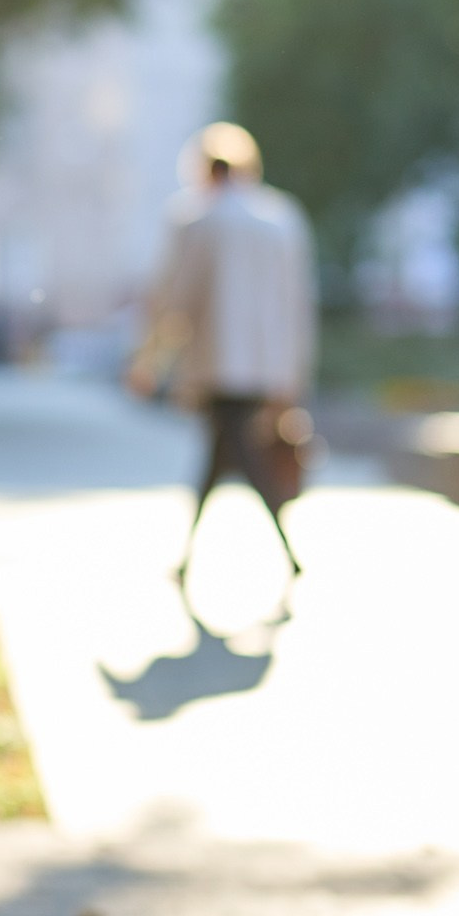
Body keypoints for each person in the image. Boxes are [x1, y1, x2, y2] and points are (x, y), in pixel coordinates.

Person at [128, 122, 316, 579]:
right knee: (223, 454)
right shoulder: (282, 219)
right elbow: (299, 303)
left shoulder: (197, 219)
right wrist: (294, 373)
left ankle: (280, 553)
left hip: (217, 364)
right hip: (267, 367)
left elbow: (175, 299)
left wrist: (147, 360)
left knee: (236, 456)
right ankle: (208, 554)